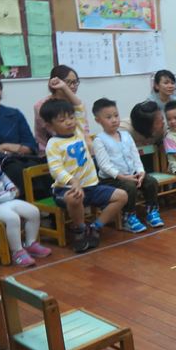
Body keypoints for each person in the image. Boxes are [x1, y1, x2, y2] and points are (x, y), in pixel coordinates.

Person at [40, 99, 127, 253]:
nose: (69, 122)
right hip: (64, 190)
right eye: (62, 120)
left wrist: (64, 88)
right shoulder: (53, 144)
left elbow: (79, 107)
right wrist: (73, 181)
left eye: (71, 117)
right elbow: (56, 169)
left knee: (122, 196)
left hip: (91, 187)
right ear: (49, 126)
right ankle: (79, 229)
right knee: (74, 197)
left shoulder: (79, 132)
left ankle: (94, 227)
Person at [0, 126, 51, 266]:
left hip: (4, 199)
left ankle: (30, 243)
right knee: (12, 218)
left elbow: (2, 178)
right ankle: (17, 252)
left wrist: (11, 186)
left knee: (33, 211)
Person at [92, 98, 164, 233]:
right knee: (129, 187)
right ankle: (128, 217)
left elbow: (135, 155)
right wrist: (123, 177)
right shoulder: (99, 140)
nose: (114, 120)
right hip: (111, 179)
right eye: (108, 117)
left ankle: (152, 212)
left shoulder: (125, 135)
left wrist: (141, 171)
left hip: (132, 174)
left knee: (151, 182)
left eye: (116, 115)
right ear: (98, 120)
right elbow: (104, 166)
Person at [33, 65, 90, 156]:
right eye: (68, 82)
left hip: (79, 147)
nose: (73, 86)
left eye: (75, 82)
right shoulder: (41, 106)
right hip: (56, 150)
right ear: (57, 83)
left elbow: (84, 129)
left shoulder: (77, 103)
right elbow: (42, 135)